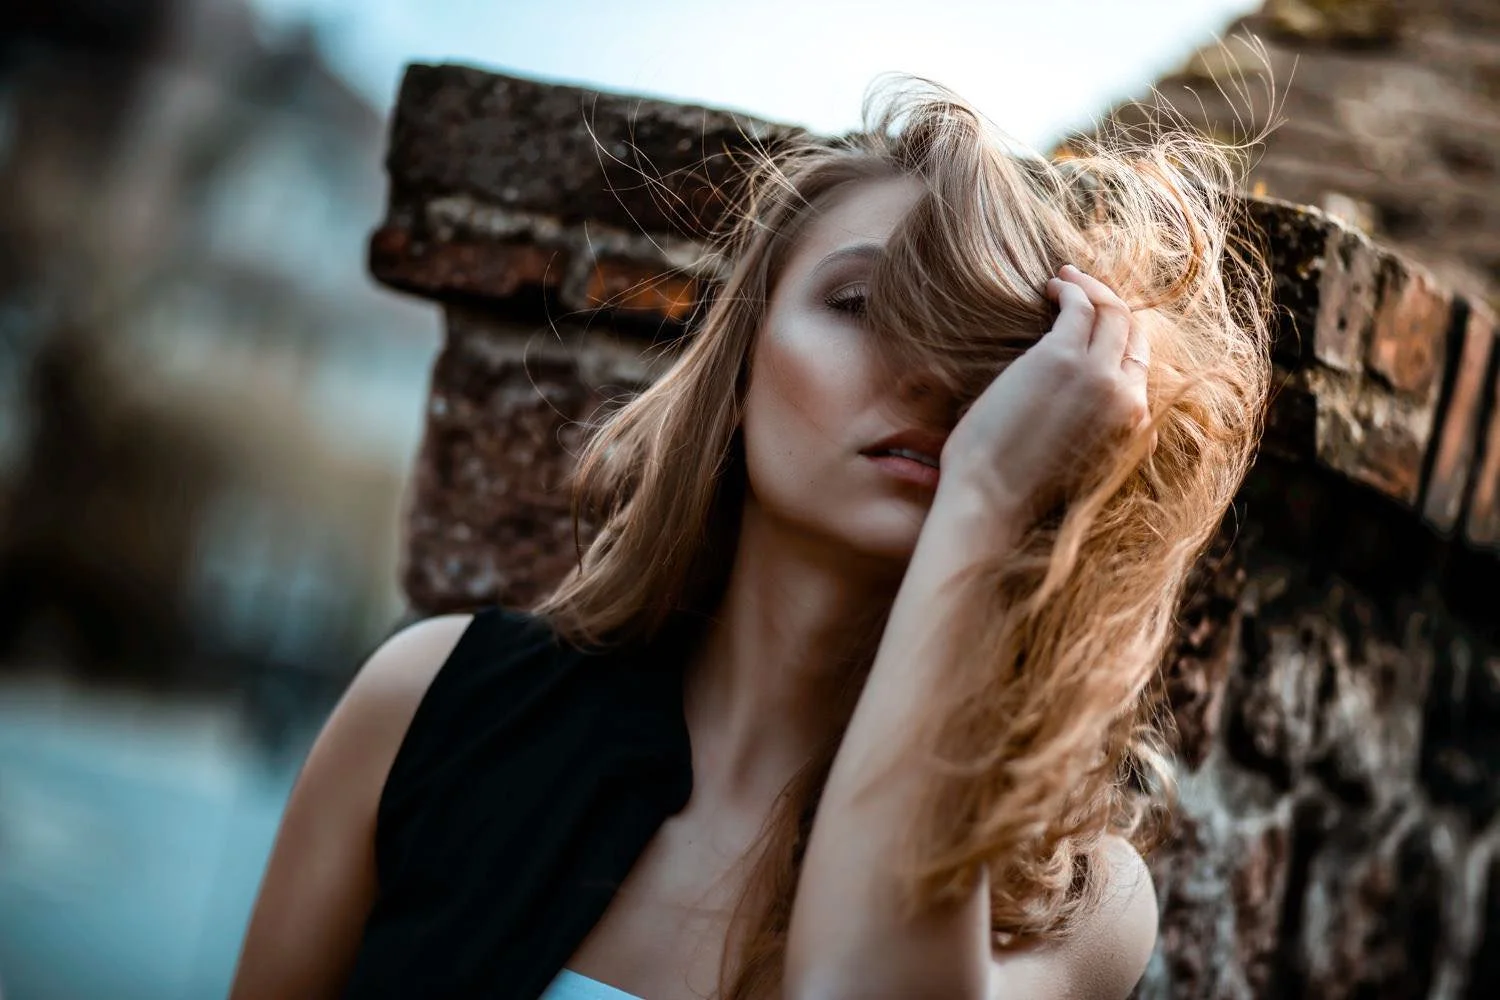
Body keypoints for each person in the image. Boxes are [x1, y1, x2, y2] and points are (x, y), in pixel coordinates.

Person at [230, 75, 1273, 1000]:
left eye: (990, 343)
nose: (930, 374)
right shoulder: (428, 705)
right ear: (737, 376)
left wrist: (989, 499)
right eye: (860, 302)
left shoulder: (1076, 904)